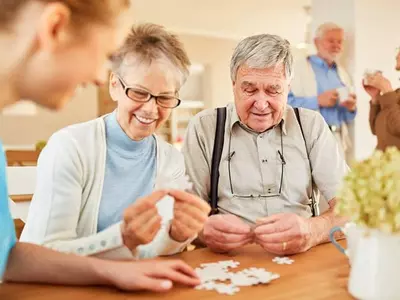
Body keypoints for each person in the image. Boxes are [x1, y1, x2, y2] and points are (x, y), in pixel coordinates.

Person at [0, 0, 200, 291]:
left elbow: (10, 258)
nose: (96, 77)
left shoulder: (169, 157)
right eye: (104, 54)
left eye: (164, 98)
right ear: (55, 27)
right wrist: (122, 242)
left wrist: (174, 235)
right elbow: (24, 258)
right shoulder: (70, 145)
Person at [182, 33, 348, 256]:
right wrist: (202, 230)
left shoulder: (311, 125)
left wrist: (312, 230)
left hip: (302, 260)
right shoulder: (204, 127)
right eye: (249, 89)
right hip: (227, 263)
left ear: (288, 87)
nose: (261, 104)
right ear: (233, 85)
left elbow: (352, 207)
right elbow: (185, 215)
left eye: (273, 90)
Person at [288, 22, 357, 163]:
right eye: (331, 40)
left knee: (337, 184)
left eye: (339, 41)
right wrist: (317, 101)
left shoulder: (342, 74)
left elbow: (346, 117)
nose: (336, 45)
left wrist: (350, 109)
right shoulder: (298, 68)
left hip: (336, 138)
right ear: (316, 42)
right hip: (308, 139)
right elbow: (285, 104)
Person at [365, 47, 400, 151]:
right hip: (384, 164)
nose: (397, 54)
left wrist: (387, 91)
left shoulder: (391, 95)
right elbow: (375, 129)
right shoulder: (396, 94)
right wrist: (375, 98)